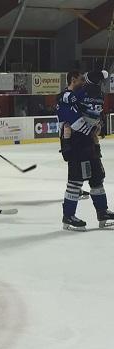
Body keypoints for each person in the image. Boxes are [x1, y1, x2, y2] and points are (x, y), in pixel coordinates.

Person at [57, 70, 114, 231]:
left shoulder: (88, 94)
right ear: (74, 80)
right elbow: (66, 114)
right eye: (82, 79)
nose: (83, 82)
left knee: (97, 177)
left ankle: (102, 212)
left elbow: (95, 112)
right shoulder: (67, 97)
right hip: (76, 143)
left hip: (89, 142)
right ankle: (68, 215)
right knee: (75, 181)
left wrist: (99, 124)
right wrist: (85, 132)